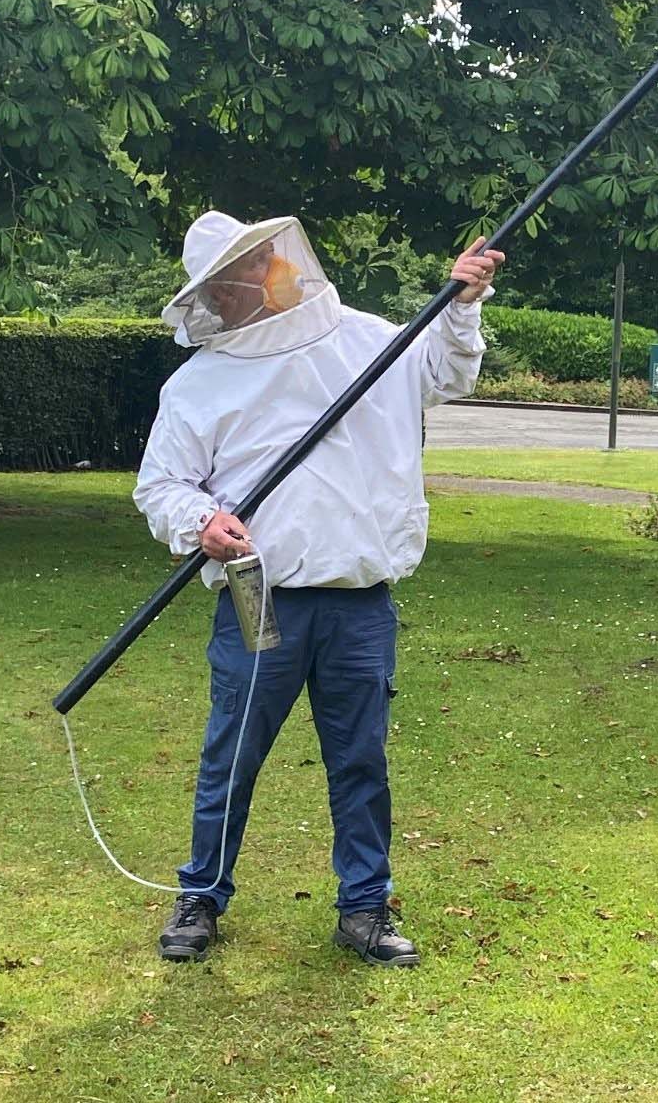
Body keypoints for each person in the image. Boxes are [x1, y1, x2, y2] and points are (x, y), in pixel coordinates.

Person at [133, 211, 504, 967]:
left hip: (360, 599)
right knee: (231, 754)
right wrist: (202, 519)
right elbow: (161, 484)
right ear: (213, 295)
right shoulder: (199, 382)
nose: (251, 282)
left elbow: (448, 372)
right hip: (257, 593)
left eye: (257, 263)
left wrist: (461, 306)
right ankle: (201, 896)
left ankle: (365, 908)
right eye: (230, 279)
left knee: (360, 758)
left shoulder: (374, 340)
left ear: (277, 261)